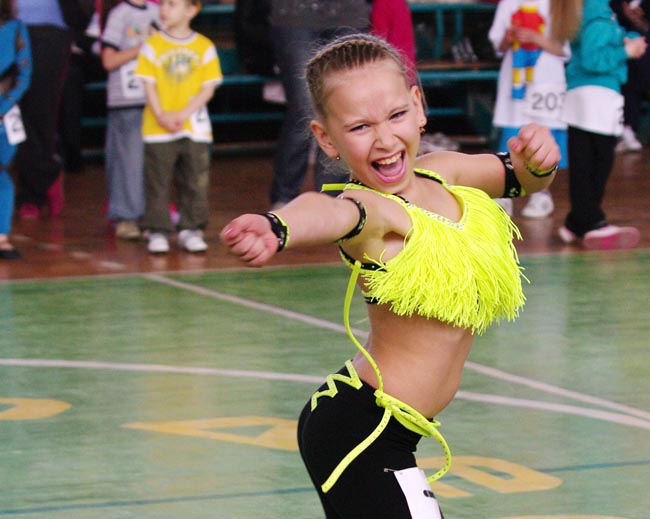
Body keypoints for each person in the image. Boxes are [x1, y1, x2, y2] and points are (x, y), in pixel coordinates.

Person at [220, 33, 560, 518]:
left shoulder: (447, 173)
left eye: (396, 115)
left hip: (382, 430)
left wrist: (540, 158)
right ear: (326, 138)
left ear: (418, 106)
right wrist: (279, 226)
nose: (384, 139)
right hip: (363, 434)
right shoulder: (371, 208)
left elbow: (523, 177)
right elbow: (328, 212)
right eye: (360, 126)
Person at [135, 0, 222, 254]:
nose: (164, 9)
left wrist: (182, 114)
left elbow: (208, 88)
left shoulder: (204, 46)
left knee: (195, 180)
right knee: (158, 182)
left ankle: (191, 229)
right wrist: (162, 115)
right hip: (157, 129)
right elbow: (149, 85)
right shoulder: (152, 45)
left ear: (191, 10)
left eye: (172, 4)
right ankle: (158, 230)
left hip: (194, 128)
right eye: (163, 4)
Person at [559, 0, 646, 249]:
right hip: (598, 94)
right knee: (597, 162)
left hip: (582, 93)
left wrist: (627, 39)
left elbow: (598, 43)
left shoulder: (589, 8)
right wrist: (626, 52)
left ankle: (577, 222)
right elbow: (593, 59)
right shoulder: (597, 9)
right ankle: (591, 220)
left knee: (585, 160)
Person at [267, 0, 369, 210]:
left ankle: (333, 199)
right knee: (305, 108)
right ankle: (284, 198)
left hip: (348, 14)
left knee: (342, 106)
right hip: (294, 15)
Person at [489, 0, 569, 219]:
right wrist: (508, 38)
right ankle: (505, 191)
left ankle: (542, 193)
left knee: (544, 139)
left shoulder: (557, 5)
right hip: (516, 83)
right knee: (511, 136)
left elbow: (565, 49)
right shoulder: (508, 3)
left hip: (547, 83)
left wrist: (537, 38)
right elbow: (498, 46)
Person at [13, 0, 91, 219]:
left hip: (51, 32)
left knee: (40, 113)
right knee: (11, 113)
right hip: (9, 28)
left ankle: (32, 195)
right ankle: (48, 170)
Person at [102, 0, 160, 240]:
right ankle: (125, 217)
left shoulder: (158, 12)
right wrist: (143, 48)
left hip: (155, 101)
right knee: (127, 162)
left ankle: (149, 215)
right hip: (127, 100)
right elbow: (108, 60)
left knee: (152, 162)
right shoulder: (120, 14)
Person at [0, 0, 31, 259]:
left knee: (2, 172)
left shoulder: (16, 28)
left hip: (4, 114)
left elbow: (24, 74)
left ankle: (1, 236)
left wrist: (3, 106)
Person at [611, 0, 650, 152]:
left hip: (641, 39)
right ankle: (628, 128)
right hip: (624, 42)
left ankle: (628, 128)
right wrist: (627, 14)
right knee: (632, 70)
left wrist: (642, 21)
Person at [369, 0, 416, 84]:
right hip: (406, 68)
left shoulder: (381, 4)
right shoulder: (399, 2)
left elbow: (378, 42)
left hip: (391, 70)